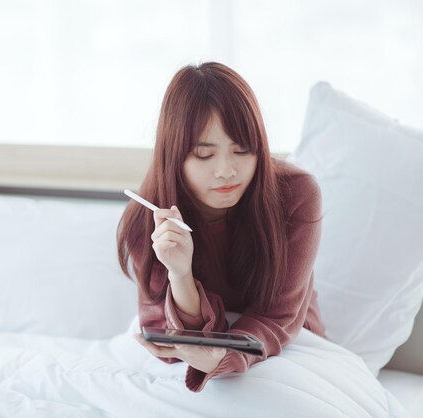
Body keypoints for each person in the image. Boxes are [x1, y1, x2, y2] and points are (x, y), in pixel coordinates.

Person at [117, 62, 326, 393]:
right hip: (201, 352)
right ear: (174, 156)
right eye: (204, 155)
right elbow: (165, 332)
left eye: (243, 150)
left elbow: (278, 318)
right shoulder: (148, 219)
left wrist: (221, 357)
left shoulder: (296, 195)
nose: (227, 171)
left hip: (288, 340)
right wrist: (180, 274)